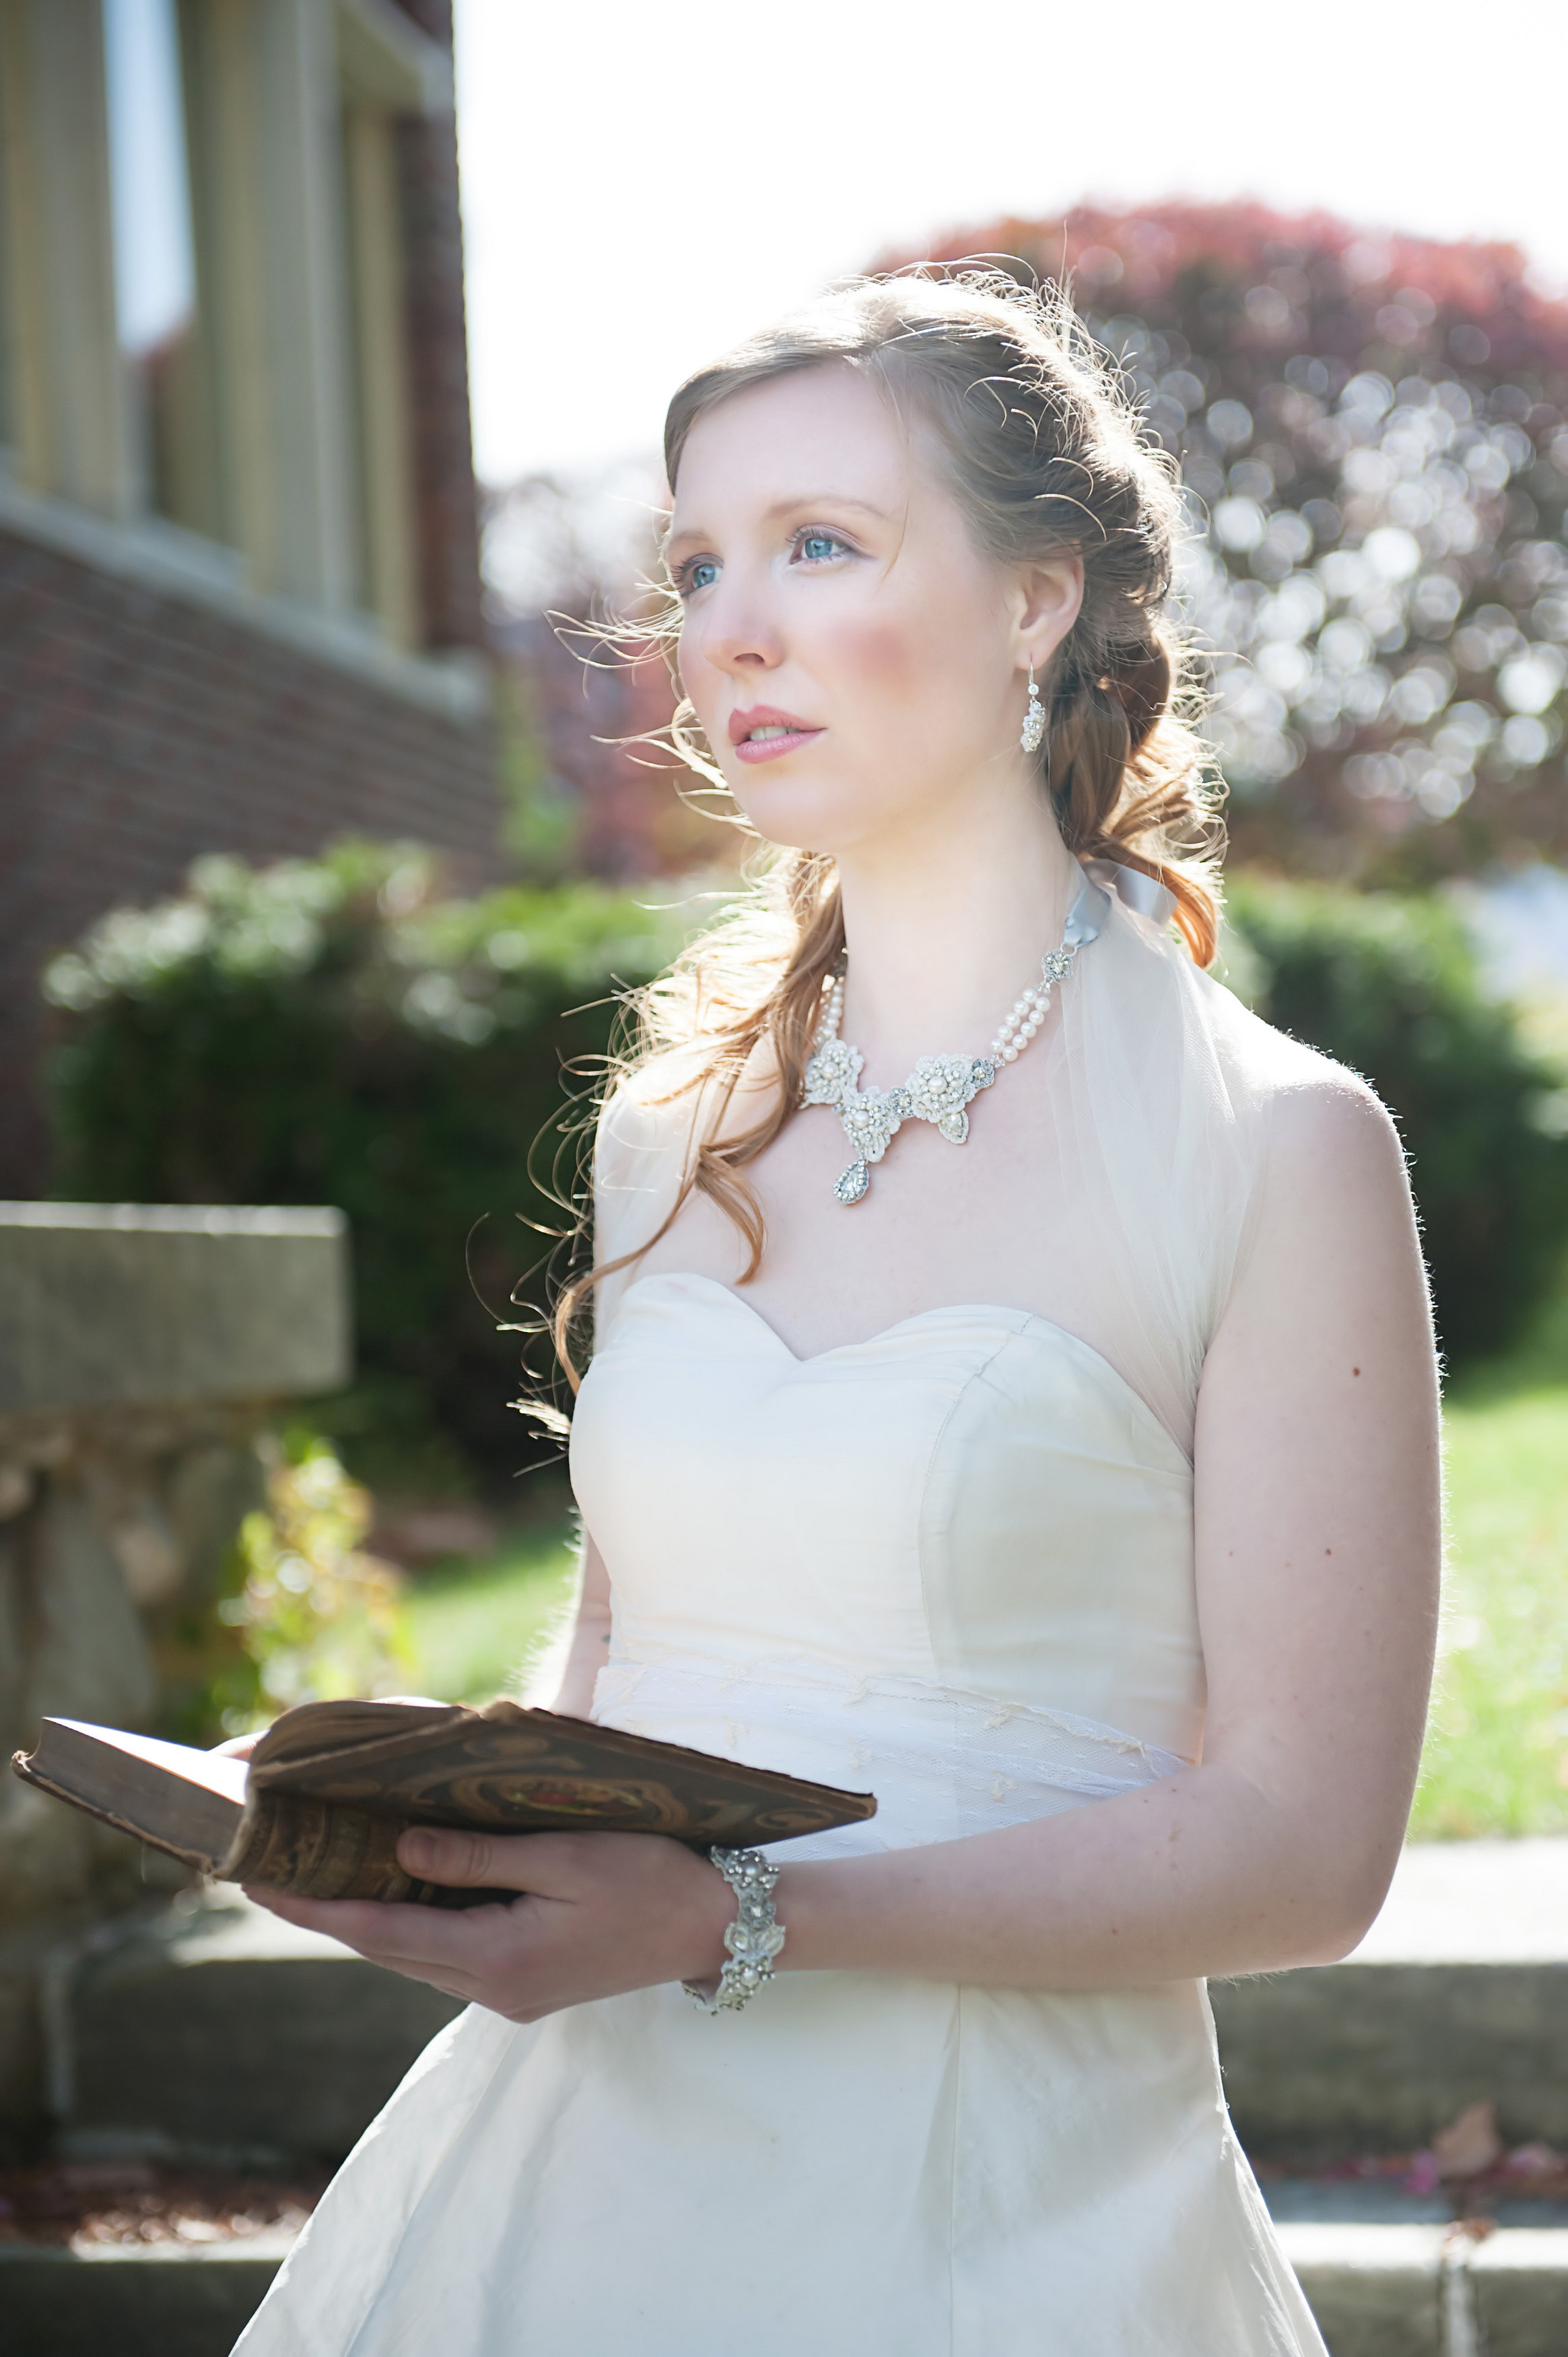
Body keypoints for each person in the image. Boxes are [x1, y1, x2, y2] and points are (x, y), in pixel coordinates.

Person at [234, 272, 1439, 2357]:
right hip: (577, 2169)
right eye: (700, 561)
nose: (731, 626)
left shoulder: (1275, 1146)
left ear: (1035, 599)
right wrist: (415, 1816)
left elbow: (1301, 1850)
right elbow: (615, 1659)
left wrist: (737, 1917)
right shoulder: (667, 1134)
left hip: (1012, 2217)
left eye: (821, 544)